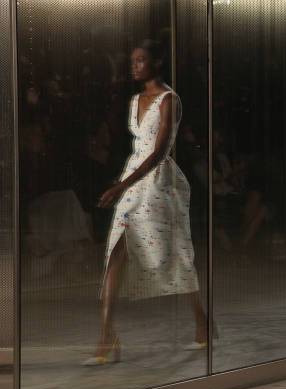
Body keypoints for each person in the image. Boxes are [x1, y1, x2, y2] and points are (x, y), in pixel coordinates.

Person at [82, 39, 207, 366]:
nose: (134, 65)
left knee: (176, 252)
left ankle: (202, 322)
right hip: (133, 180)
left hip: (157, 183)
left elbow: (158, 151)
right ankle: (107, 338)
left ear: (157, 63)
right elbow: (139, 148)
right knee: (115, 252)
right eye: (133, 60)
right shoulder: (135, 99)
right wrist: (123, 184)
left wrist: (120, 185)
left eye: (141, 61)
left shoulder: (170, 99)